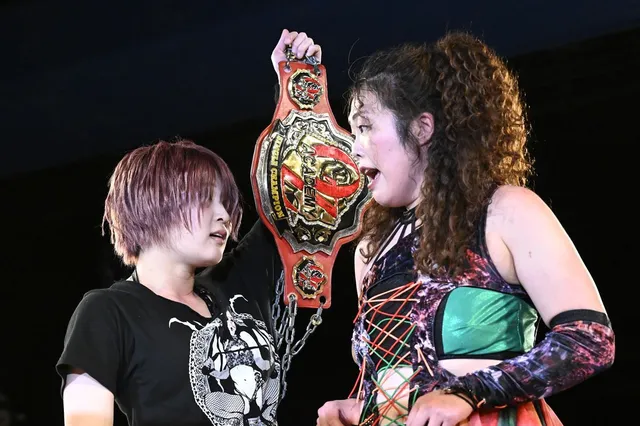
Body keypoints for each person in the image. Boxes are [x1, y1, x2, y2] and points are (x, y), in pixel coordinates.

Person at [316, 31, 615, 426]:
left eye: (366, 126)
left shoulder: (506, 211)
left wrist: (469, 392)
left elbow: (589, 339)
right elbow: (405, 388)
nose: (354, 147)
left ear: (422, 128)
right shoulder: (371, 251)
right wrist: (359, 409)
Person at [56, 30, 322, 426]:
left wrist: (295, 84)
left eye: (225, 203)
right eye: (204, 200)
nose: (223, 215)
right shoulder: (108, 313)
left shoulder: (237, 283)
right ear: (152, 202)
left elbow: (301, 184)